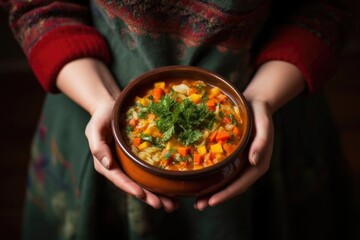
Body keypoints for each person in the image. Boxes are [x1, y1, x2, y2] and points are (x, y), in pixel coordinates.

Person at [1, 0, 357, 239]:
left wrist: (262, 98)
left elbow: (328, 7)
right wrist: (101, 102)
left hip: (274, 113)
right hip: (91, 108)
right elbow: (35, 5)